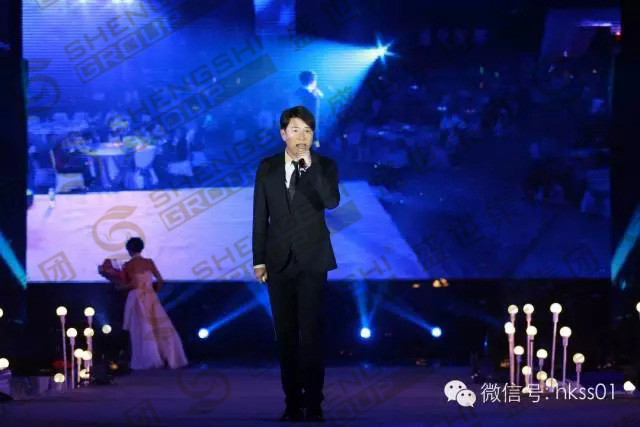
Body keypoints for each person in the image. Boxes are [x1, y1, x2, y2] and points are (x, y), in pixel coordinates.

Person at [252, 105, 340, 422]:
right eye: (295, 130)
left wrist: (310, 167)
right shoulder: (268, 167)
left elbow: (331, 201)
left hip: (313, 260)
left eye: (307, 131)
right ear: (283, 134)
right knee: (286, 337)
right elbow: (260, 216)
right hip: (278, 262)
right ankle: (292, 403)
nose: (302, 136)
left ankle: (314, 403)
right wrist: (259, 260)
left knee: (311, 335)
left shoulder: (325, 165)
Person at [99, 238, 188, 370]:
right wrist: (153, 292)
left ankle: (149, 359)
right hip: (150, 296)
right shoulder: (149, 262)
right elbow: (160, 280)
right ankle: (170, 357)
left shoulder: (129, 265)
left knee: (141, 329)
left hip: (136, 298)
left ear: (129, 249)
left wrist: (118, 286)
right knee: (160, 326)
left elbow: (133, 284)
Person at [294, 71, 323, 148]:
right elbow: (314, 117)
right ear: (312, 81)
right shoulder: (313, 97)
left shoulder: (296, 93)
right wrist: (315, 138)